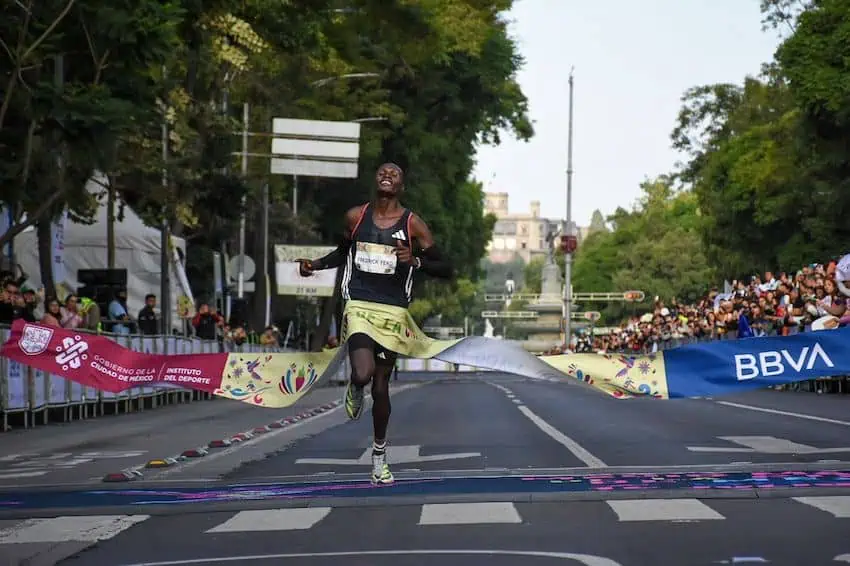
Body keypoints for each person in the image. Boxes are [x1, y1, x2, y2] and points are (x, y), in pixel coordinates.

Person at [297, 162, 452, 485]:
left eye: (395, 174)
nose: (387, 175)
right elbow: (343, 253)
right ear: (375, 180)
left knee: (381, 386)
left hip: (393, 311)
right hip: (359, 304)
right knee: (363, 373)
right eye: (382, 171)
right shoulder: (356, 217)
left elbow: (445, 266)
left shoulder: (413, 224)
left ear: (401, 186)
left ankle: (379, 457)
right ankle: (356, 386)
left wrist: (417, 260)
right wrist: (315, 265)